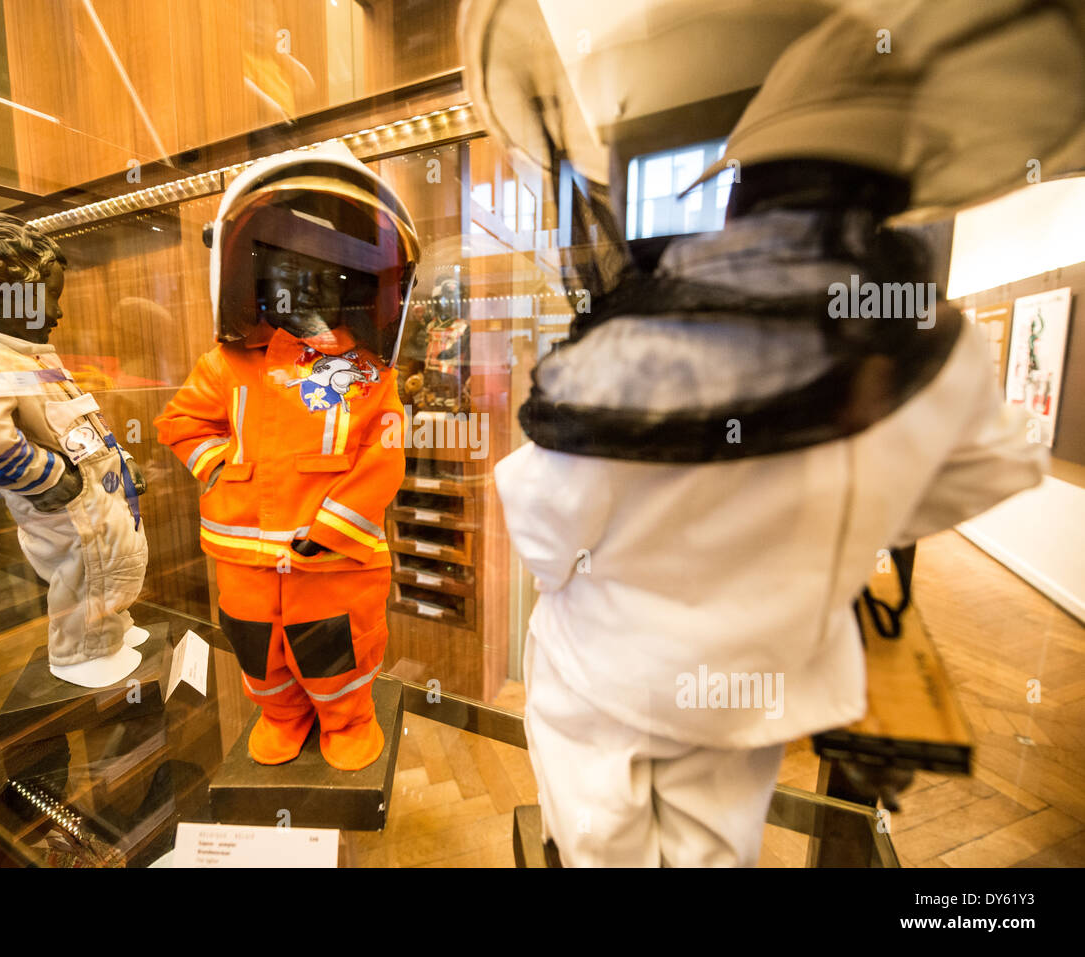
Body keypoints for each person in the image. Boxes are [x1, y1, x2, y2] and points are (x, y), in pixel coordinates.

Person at [464, 0, 1083, 865]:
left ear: (748, 178)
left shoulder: (634, 356)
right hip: (759, 681)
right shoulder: (938, 355)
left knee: (596, 828)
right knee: (716, 838)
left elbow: (542, 526)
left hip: (609, 676)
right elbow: (979, 475)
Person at [155, 143, 419, 771]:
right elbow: (180, 423)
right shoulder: (227, 364)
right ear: (254, 282)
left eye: (317, 279)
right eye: (283, 278)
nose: (299, 293)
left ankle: (347, 720)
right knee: (256, 645)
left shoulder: (366, 373)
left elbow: (383, 458)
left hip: (334, 562)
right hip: (243, 556)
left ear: (345, 286)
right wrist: (223, 469)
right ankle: (281, 714)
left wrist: (332, 529)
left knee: (339, 646)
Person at [0, 211, 149, 688]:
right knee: (82, 574)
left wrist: (121, 465)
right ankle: (82, 653)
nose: (59, 313)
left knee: (108, 568)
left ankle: (112, 627)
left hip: (96, 495)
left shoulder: (24, 355)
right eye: (51, 297)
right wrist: (41, 477)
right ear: (0, 292)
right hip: (67, 508)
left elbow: (79, 423)